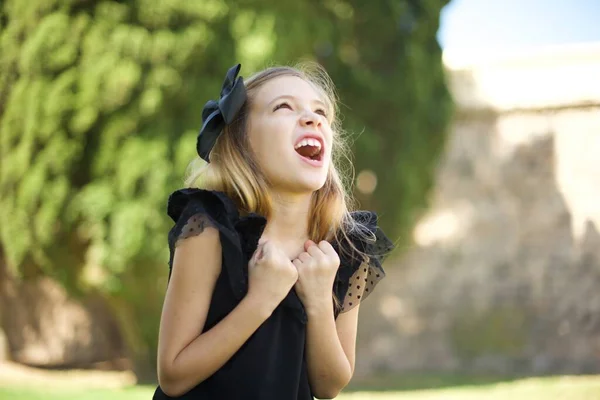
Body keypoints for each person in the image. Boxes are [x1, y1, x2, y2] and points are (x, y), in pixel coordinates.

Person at [153, 63, 394, 400]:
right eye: (283, 106)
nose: (313, 118)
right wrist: (261, 299)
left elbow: (329, 386)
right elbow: (173, 376)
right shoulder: (209, 228)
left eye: (320, 111)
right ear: (242, 141)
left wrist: (320, 301)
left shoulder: (346, 249)